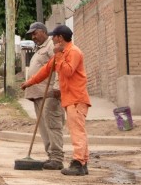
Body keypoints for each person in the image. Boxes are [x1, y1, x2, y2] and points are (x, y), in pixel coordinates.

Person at [22, 24, 90, 176]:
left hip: (77, 98)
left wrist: (58, 55)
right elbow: (45, 70)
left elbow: (68, 71)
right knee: (78, 131)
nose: (53, 39)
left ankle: (79, 162)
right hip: (70, 99)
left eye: (54, 37)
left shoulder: (73, 51)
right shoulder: (63, 53)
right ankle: (82, 163)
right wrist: (29, 82)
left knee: (77, 132)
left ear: (60, 38)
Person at [24, 22, 65, 170]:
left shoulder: (50, 47)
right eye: (32, 35)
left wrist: (57, 87)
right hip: (38, 95)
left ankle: (57, 157)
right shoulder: (41, 48)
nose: (33, 37)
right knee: (44, 127)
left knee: (52, 126)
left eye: (35, 33)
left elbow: (59, 67)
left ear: (43, 32)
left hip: (49, 95)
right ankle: (51, 156)